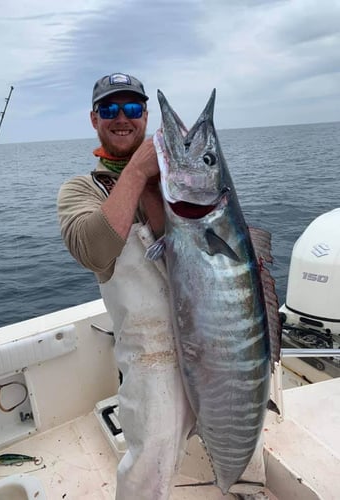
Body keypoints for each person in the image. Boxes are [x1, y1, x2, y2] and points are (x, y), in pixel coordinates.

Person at [57, 72, 268, 500]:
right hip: (153, 355)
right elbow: (94, 251)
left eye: (132, 108)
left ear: (144, 116)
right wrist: (137, 170)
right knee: (151, 460)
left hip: (221, 344)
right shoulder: (82, 190)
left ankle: (238, 487)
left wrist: (162, 179)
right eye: (110, 109)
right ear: (94, 119)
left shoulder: (172, 189)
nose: (122, 118)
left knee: (246, 438)